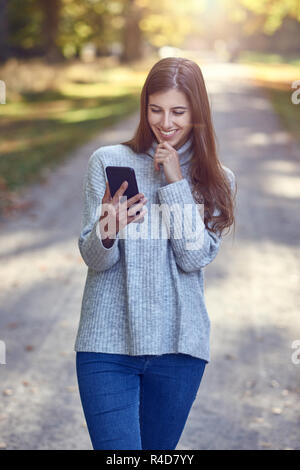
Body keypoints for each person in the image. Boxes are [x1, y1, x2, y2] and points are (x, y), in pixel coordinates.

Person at [74, 57, 237, 450]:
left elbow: (193, 257)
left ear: (198, 112)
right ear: (144, 107)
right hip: (107, 345)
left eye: (179, 111)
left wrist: (175, 182)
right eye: (156, 109)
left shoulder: (217, 178)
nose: (166, 122)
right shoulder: (109, 161)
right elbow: (96, 261)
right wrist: (109, 229)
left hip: (179, 350)